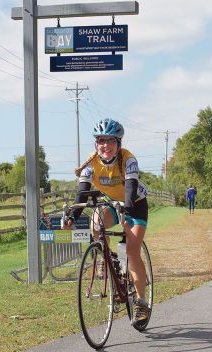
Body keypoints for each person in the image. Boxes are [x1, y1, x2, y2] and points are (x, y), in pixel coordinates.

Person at [64, 118, 149, 325]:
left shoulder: (128, 160)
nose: (106, 146)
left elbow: (130, 188)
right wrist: (71, 217)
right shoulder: (90, 164)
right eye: (101, 141)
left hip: (134, 204)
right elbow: (81, 194)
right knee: (96, 221)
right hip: (112, 203)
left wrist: (126, 211)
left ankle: (141, 302)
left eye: (110, 141)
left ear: (118, 143)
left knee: (131, 251)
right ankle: (107, 257)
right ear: (96, 144)